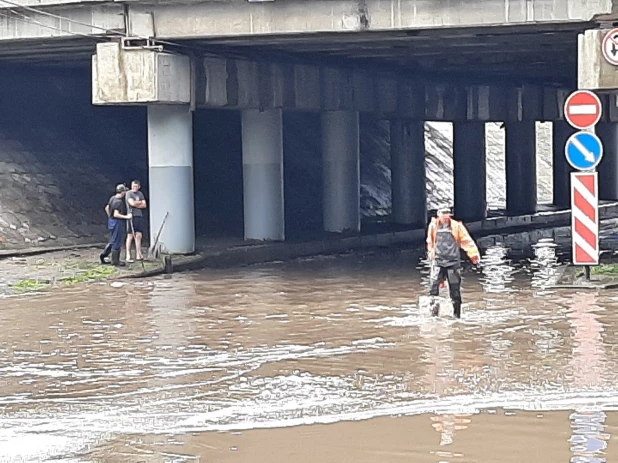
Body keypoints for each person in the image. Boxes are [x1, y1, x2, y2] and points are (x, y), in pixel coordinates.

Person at [426, 205, 480, 319]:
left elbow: (466, 240)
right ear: (438, 214)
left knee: (455, 290)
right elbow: (430, 241)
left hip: (452, 263)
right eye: (443, 213)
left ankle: (457, 316)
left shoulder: (456, 226)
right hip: (438, 262)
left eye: (447, 213)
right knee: (433, 288)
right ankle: (433, 315)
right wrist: (431, 252)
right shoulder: (433, 225)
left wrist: (473, 254)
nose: (445, 216)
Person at [100, 184, 132, 267]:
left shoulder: (112, 198)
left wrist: (110, 217)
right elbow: (116, 214)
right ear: (122, 192)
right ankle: (115, 260)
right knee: (117, 241)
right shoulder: (119, 202)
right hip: (117, 222)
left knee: (113, 239)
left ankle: (104, 255)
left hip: (111, 221)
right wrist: (127, 217)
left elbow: (107, 208)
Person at [125, 180, 147, 263]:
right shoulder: (129, 193)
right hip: (131, 215)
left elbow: (144, 205)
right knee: (130, 235)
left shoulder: (140, 194)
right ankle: (128, 255)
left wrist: (137, 203)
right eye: (133, 186)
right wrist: (139, 203)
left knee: (139, 235)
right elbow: (132, 203)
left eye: (136, 186)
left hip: (139, 216)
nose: (134, 188)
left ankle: (139, 254)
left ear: (139, 187)